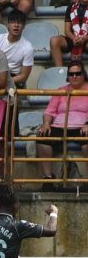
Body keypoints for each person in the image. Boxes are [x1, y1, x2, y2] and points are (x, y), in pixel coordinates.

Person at [37, 62, 88, 190]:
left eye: (77, 73)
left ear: (84, 75)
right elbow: (49, 111)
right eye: (71, 74)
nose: (74, 76)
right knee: (42, 137)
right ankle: (48, 178)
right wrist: (46, 124)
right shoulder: (61, 91)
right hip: (59, 125)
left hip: (82, 125)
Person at [51, 0, 88, 67]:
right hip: (73, 39)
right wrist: (74, 38)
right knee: (54, 41)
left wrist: (84, 38)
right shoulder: (71, 7)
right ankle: (60, 70)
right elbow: (67, 30)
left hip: (86, 40)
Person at [0, 9, 33, 88]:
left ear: (24, 26)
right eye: (13, 22)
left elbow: (24, 76)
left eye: (19, 23)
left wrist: (5, 81)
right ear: (8, 24)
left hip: (13, 78)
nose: (16, 25)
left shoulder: (28, 47)